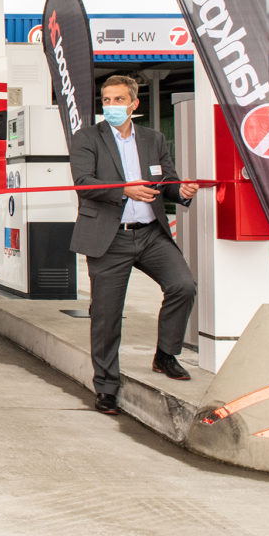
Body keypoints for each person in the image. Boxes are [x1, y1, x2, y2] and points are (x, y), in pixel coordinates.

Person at [69, 75, 198, 415]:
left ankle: (165, 354)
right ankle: (107, 387)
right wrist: (125, 189)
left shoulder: (152, 139)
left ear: (133, 103)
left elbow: (166, 179)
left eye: (118, 100)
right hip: (109, 237)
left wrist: (179, 191)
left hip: (151, 232)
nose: (111, 106)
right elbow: (84, 183)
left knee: (183, 285)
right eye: (106, 100)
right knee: (107, 316)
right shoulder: (87, 138)